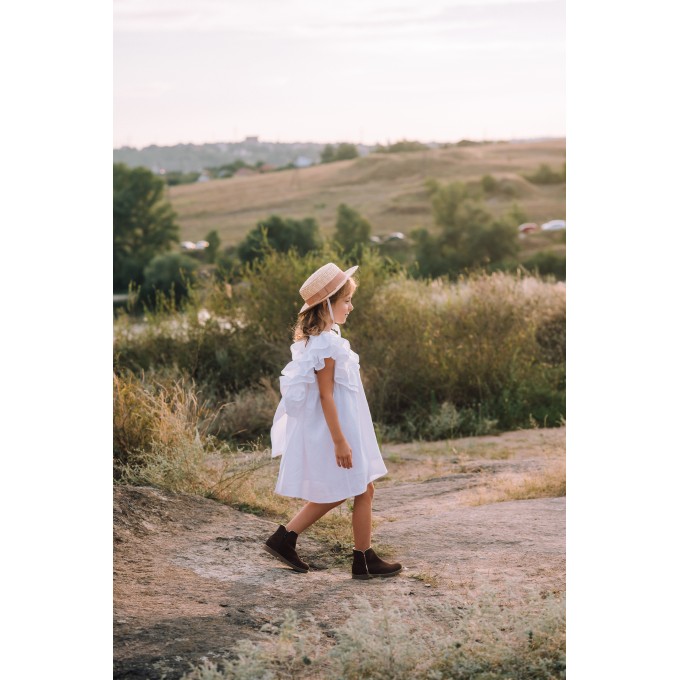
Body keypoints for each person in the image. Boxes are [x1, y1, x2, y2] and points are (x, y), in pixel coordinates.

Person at [264, 262, 403, 580]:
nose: (351, 307)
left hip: (342, 426)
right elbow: (326, 396)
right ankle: (361, 559)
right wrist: (340, 441)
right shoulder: (324, 344)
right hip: (336, 430)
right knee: (359, 488)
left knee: (358, 488)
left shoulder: (324, 340)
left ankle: (287, 539)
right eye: (346, 301)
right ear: (327, 305)